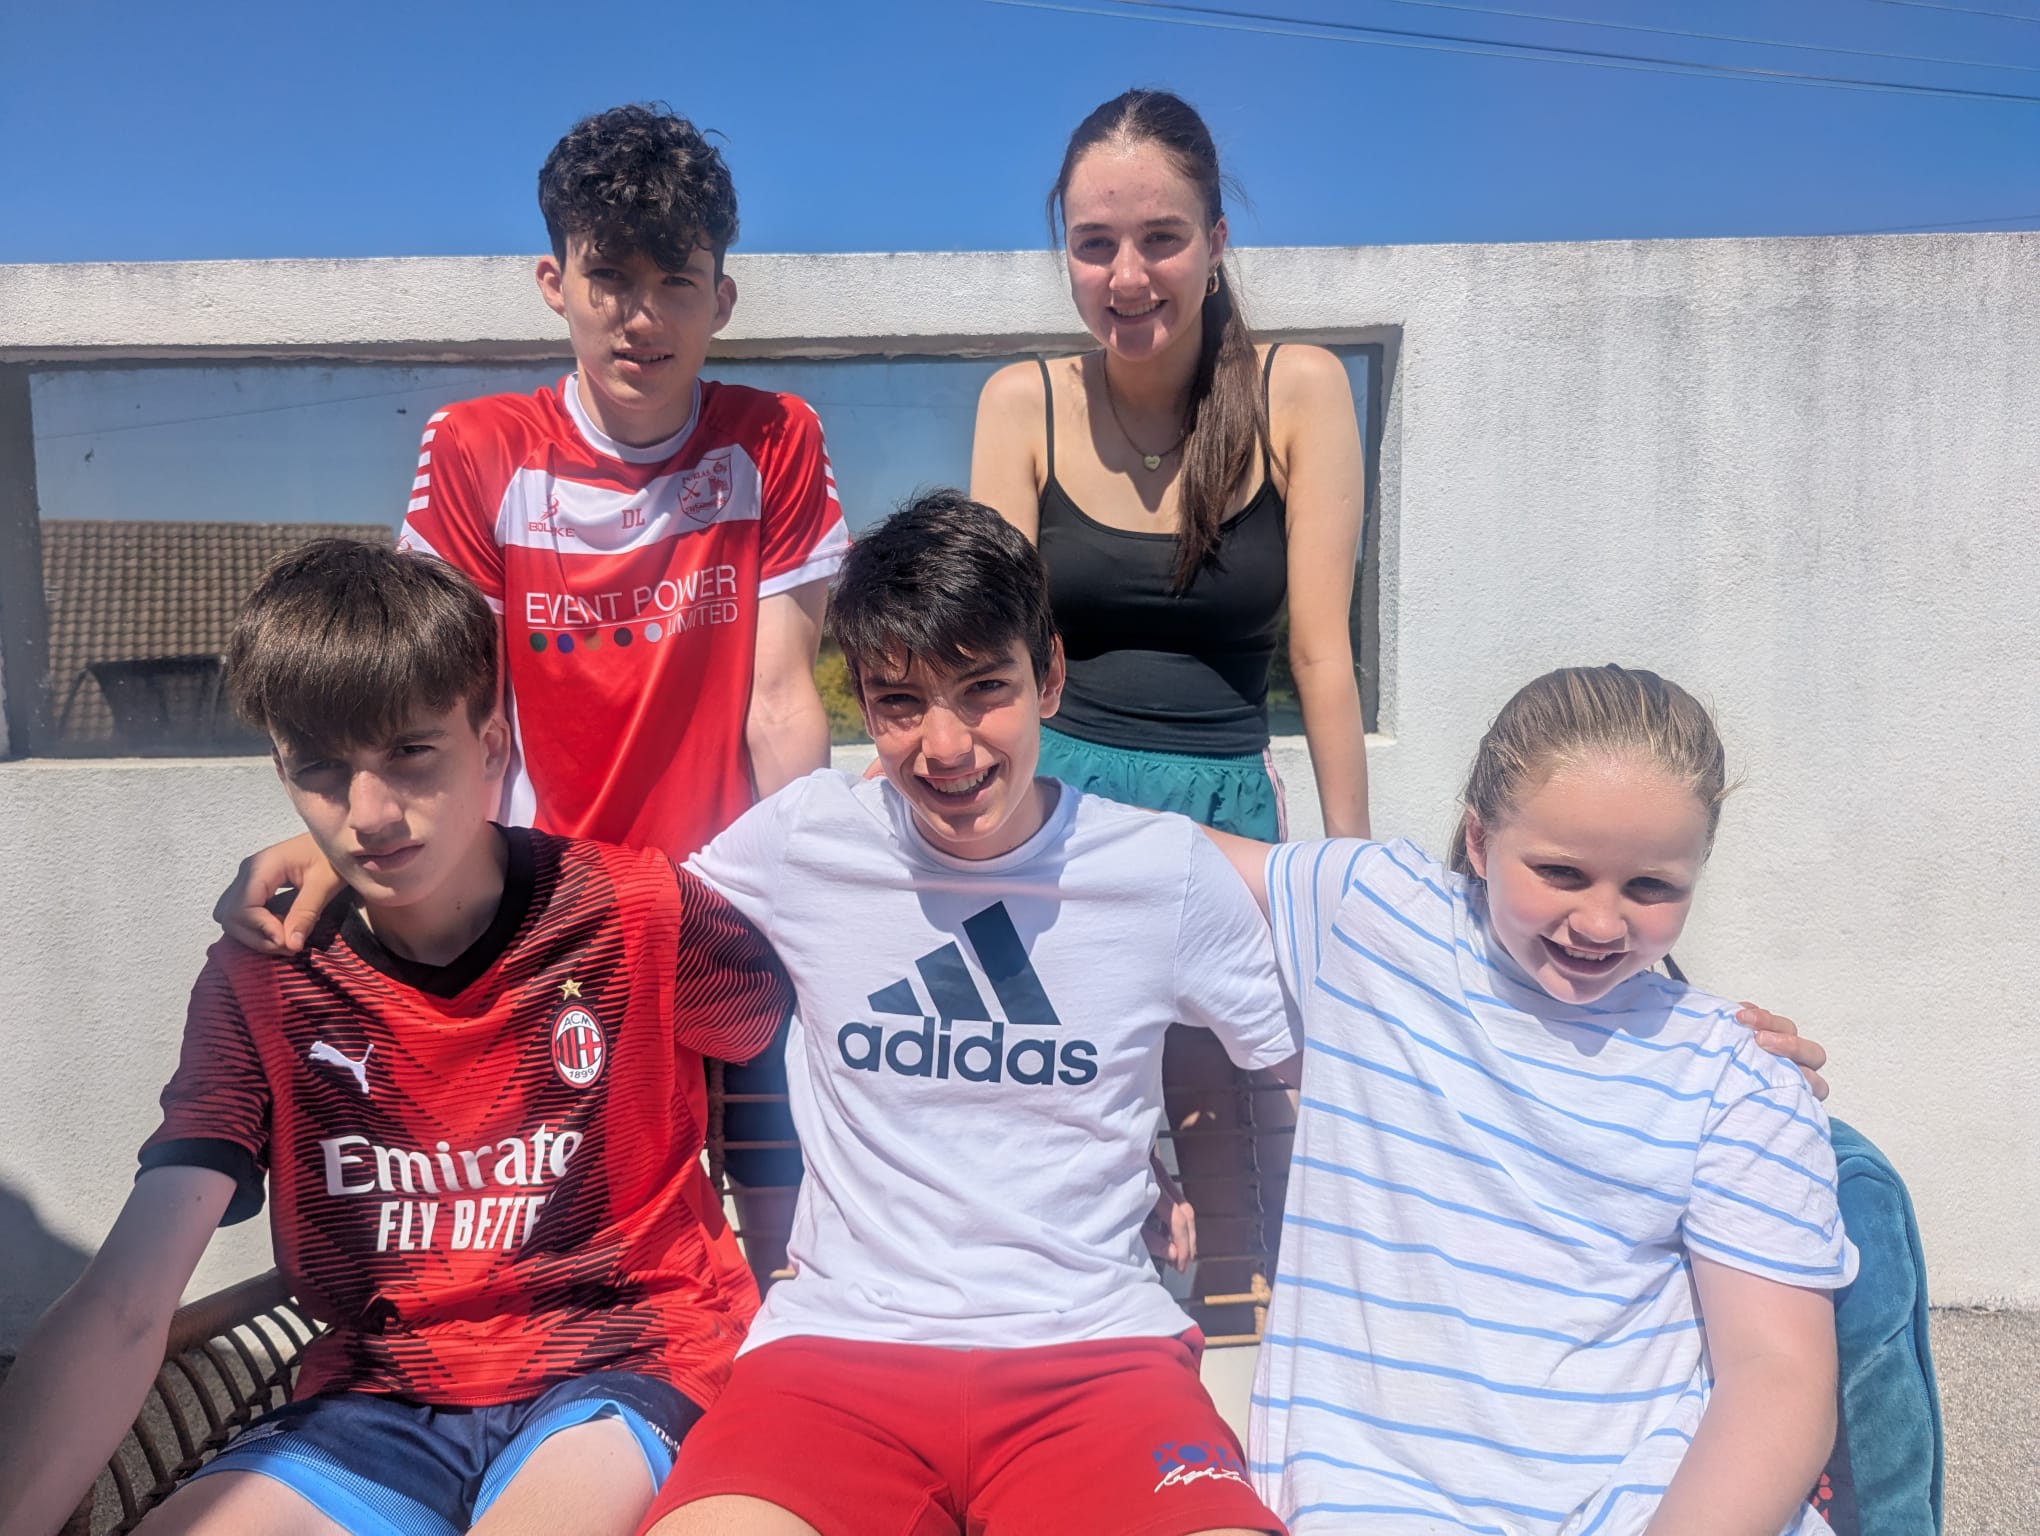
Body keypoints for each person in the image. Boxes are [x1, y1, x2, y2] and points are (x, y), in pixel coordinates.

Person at [0, 541, 794, 1536]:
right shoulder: (267, 974)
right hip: (377, 1396)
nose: (370, 815)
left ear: (492, 746)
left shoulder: (642, 913)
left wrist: (786, 1263)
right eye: (322, 769)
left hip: (622, 1358)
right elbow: (127, 1300)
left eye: (412, 753)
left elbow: (798, 1044)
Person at [220, 102, 847, 1273]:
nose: (642, 316)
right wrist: (349, 835)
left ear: (723, 298)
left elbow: (781, 701)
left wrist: (813, 891)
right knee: (566, 1226)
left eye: (677, 281)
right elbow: (441, 700)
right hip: (544, 912)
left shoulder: (775, 437)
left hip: (723, 903)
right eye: (610, 278)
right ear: (554, 282)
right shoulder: (477, 445)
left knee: (783, 1211)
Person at [640, 491, 1288, 1536]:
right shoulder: (806, 838)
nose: (945, 746)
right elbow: (608, 936)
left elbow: (1305, 1073)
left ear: (1051, 677)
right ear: (862, 706)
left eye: (984, 689)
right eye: (901, 702)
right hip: (836, 1356)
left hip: (1098, 1361)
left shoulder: (1159, 870)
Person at [1215, 665, 1855, 1535]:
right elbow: (1112, 853)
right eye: (1560, 871)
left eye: (1651, 887)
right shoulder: (1374, 919)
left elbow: (1777, 1374)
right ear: (1478, 842)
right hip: (1379, 1500)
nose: (1599, 923)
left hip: (1662, 1504)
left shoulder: (1740, 1072)